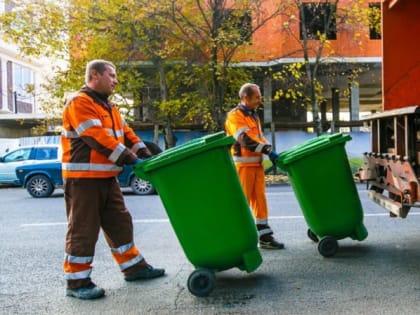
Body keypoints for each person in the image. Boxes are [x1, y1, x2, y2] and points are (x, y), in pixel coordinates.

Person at [61, 59, 165, 300]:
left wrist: (145, 155)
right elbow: (97, 138)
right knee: (83, 229)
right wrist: (131, 159)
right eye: (112, 75)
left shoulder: (110, 107)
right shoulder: (80, 102)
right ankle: (77, 283)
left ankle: (133, 267)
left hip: (107, 178)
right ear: (95, 75)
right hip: (83, 179)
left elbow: (127, 135)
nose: (116, 80)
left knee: (120, 222)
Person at [225, 82, 284, 250]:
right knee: (242, 204)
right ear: (245, 97)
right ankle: (235, 239)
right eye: (257, 97)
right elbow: (245, 141)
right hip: (243, 167)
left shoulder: (253, 115)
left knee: (260, 201)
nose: (260, 100)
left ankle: (265, 236)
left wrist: (270, 150)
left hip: (256, 166)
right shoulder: (235, 116)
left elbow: (259, 137)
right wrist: (267, 150)